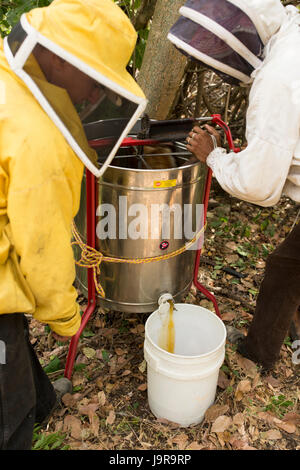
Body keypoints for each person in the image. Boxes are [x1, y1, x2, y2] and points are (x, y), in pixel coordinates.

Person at [0, 0, 146, 450]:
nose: (92, 96)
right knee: (10, 414)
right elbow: (41, 251)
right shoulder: (37, 138)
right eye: (94, 78)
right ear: (60, 58)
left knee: (15, 332)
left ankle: (43, 399)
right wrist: (66, 317)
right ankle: (27, 409)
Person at [168, 0, 300, 371]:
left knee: (285, 267)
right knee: (288, 266)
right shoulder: (291, 35)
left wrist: (213, 156)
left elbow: (258, 185)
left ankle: (256, 358)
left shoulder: (278, 79)